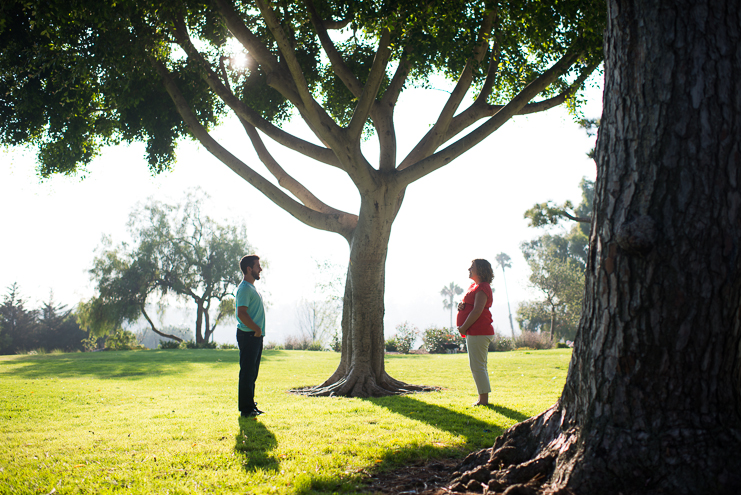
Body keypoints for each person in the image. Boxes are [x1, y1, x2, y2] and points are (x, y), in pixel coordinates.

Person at [456, 259, 495, 406]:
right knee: (478, 366)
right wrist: (462, 306)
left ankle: (483, 400)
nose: (469, 269)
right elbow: (472, 305)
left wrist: (464, 327)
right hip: (475, 331)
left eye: (472, 267)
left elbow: (478, 310)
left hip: (479, 331)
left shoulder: (483, 287)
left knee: (478, 366)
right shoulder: (474, 286)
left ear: (480, 270)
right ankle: (483, 398)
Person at [236, 255, 266, 418]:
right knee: (247, 372)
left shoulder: (251, 287)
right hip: (249, 335)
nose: (260, 269)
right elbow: (241, 313)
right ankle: (246, 409)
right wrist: (256, 330)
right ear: (249, 269)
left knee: (252, 372)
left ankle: (250, 404)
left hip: (254, 335)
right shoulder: (245, 288)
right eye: (257, 266)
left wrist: (258, 332)